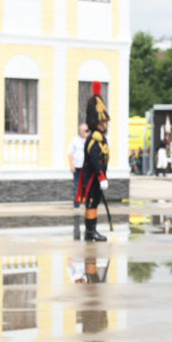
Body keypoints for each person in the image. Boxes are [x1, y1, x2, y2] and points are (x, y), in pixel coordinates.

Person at [76, 84, 111, 242]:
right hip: (92, 178)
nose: (106, 124)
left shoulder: (99, 137)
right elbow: (96, 160)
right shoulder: (94, 139)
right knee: (91, 203)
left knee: (94, 202)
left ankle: (92, 230)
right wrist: (101, 177)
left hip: (96, 178)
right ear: (97, 123)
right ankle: (90, 231)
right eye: (104, 122)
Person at [68, 123, 87, 207]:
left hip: (87, 167)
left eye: (87, 130)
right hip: (77, 167)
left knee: (86, 185)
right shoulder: (75, 140)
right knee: (77, 185)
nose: (86, 132)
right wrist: (71, 165)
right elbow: (70, 153)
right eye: (84, 130)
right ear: (80, 131)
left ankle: (86, 203)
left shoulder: (89, 140)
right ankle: (76, 204)